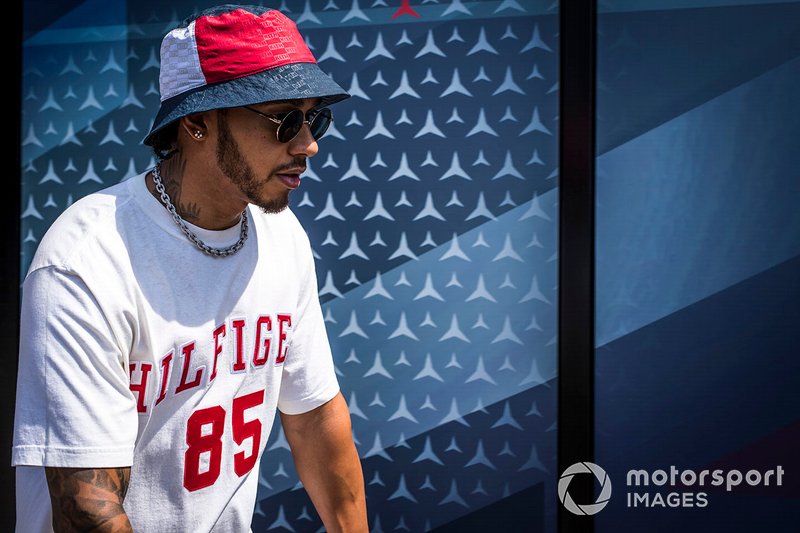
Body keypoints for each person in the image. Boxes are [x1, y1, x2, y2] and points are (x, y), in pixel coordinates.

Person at [12, 5, 367, 532]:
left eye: (314, 118)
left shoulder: (281, 236)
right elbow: (91, 511)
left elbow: (314, 417)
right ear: (197, 121)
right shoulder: (86, 260)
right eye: (285, 121)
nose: (307, 144)